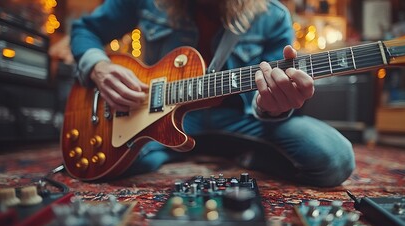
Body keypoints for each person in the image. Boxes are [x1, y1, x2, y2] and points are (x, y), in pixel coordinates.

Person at [70, 0, 355, 187]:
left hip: (240, 119)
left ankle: (219, 149)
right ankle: (200, 150)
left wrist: (272, 104)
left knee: (335, 158)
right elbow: (84, 30)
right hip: (158, 118)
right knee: (103, 165)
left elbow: (270, 97)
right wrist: (98, 66)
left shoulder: (273, 15)